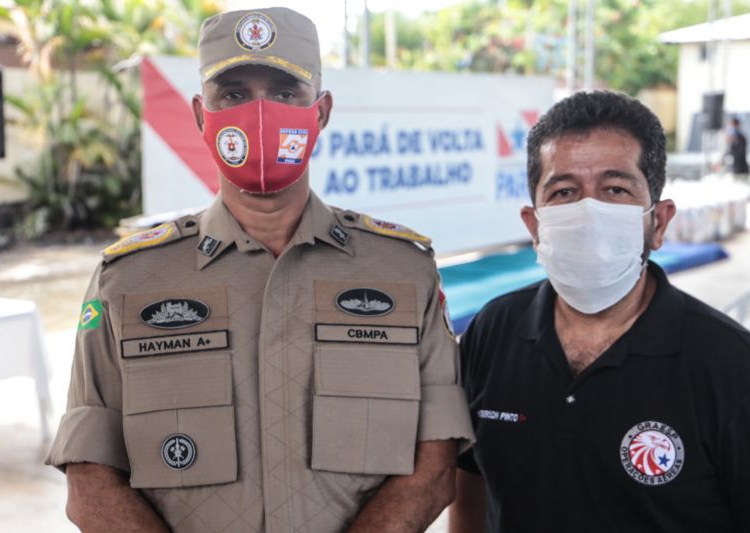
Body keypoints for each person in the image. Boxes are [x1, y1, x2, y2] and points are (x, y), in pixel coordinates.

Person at [46, 8, 473, 533]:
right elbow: (90, 477)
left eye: (285, 91)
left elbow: (433, 466)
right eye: (233, 94)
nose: (260, 111)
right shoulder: (128, 280)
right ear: (203, 116)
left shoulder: (403, 271)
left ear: (322, 112)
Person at [449, 91, 750, 532]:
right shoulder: (492, 333)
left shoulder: (738, 371)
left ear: (659, 222)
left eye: (615, 189)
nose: (589, 211)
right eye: (564, 191)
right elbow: (468, 479)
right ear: (534, 226)